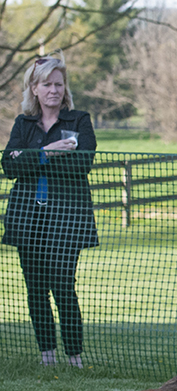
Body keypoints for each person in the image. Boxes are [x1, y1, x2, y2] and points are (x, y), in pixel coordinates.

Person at [2, 54, 97, 368]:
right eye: (46, 84)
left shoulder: (79, 121)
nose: (53, 90)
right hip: (28, 219)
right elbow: (9, 166)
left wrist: (32, 157)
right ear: (34, 88)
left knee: (63, 287)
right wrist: (48, 151)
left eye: (58, 84)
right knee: (36, 290)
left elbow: (82, 164)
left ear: (64, 87)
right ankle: (47, 356)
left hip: (66, 220)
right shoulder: (23, 124)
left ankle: (74, 357)